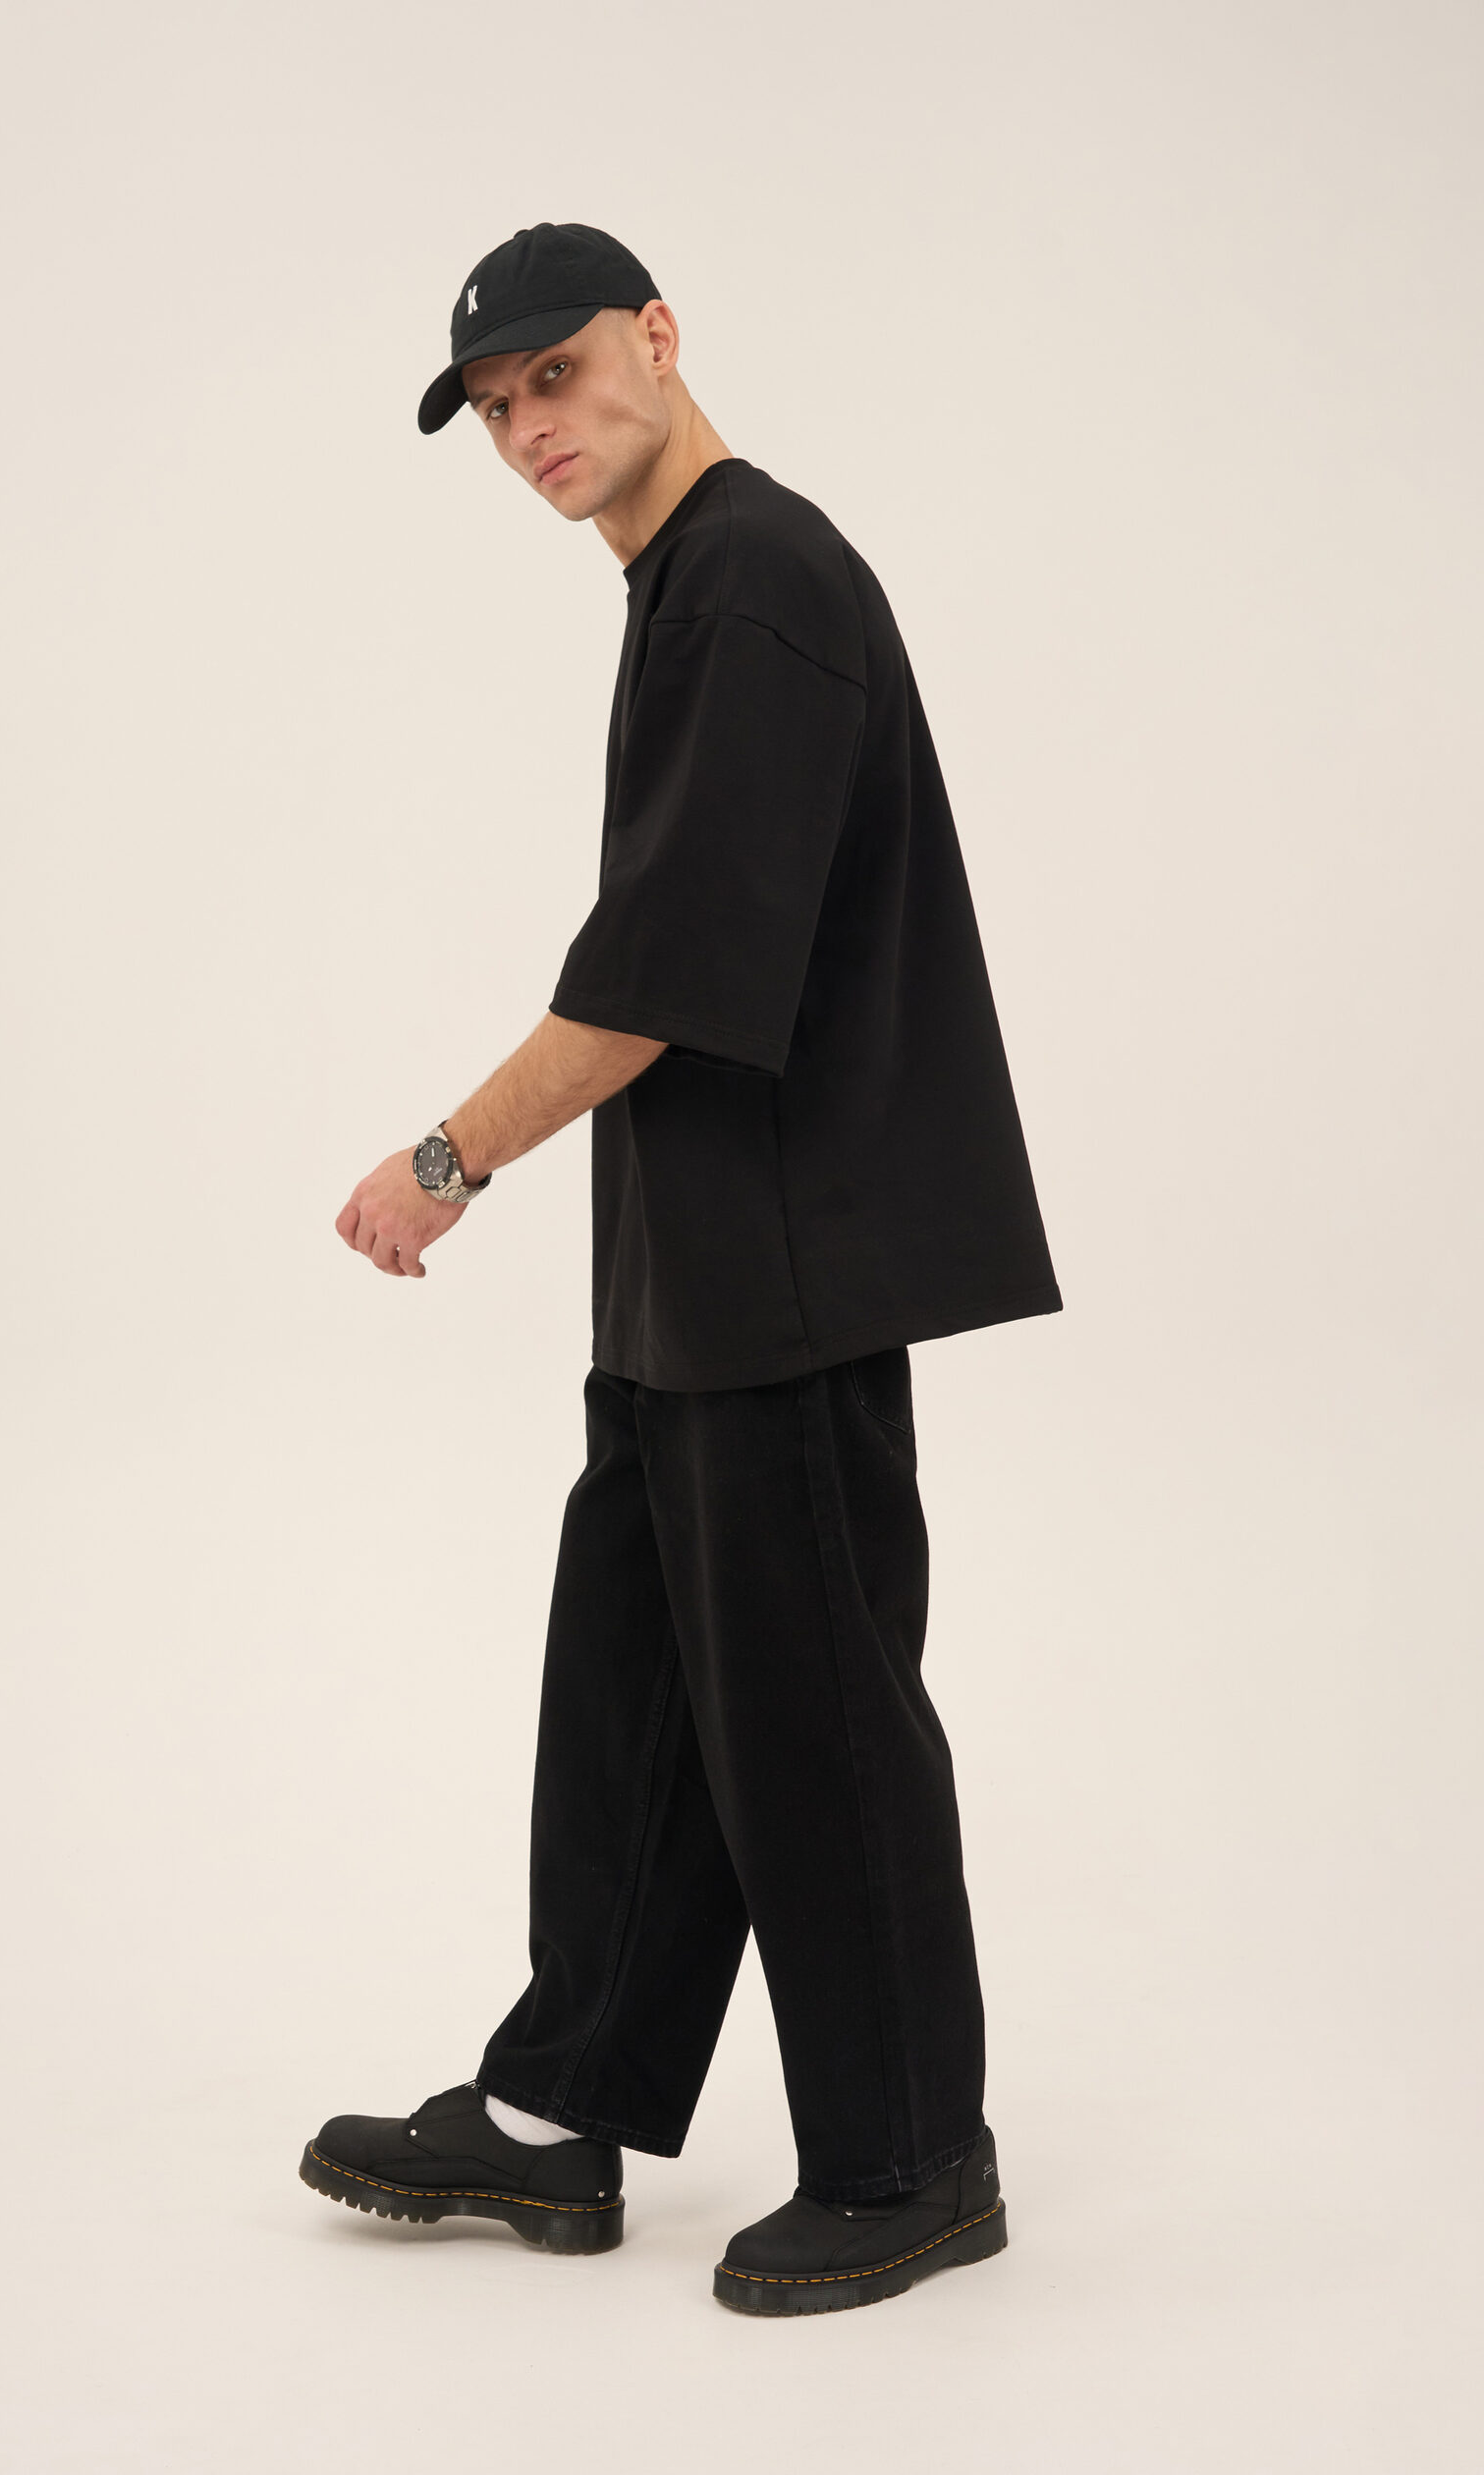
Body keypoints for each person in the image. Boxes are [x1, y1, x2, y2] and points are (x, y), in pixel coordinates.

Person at [301, 222, 1063, 2318]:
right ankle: (559, 2114)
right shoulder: (685, 585)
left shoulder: (758, 580)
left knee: (814, 1707)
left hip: (789, 1262)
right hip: (697, 1266)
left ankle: (912, 2160)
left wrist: (446, 1158)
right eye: (497, 409)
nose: (530, 428)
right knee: (637, 1688)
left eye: (556, 374)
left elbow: (663, 974)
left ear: (658, 335)